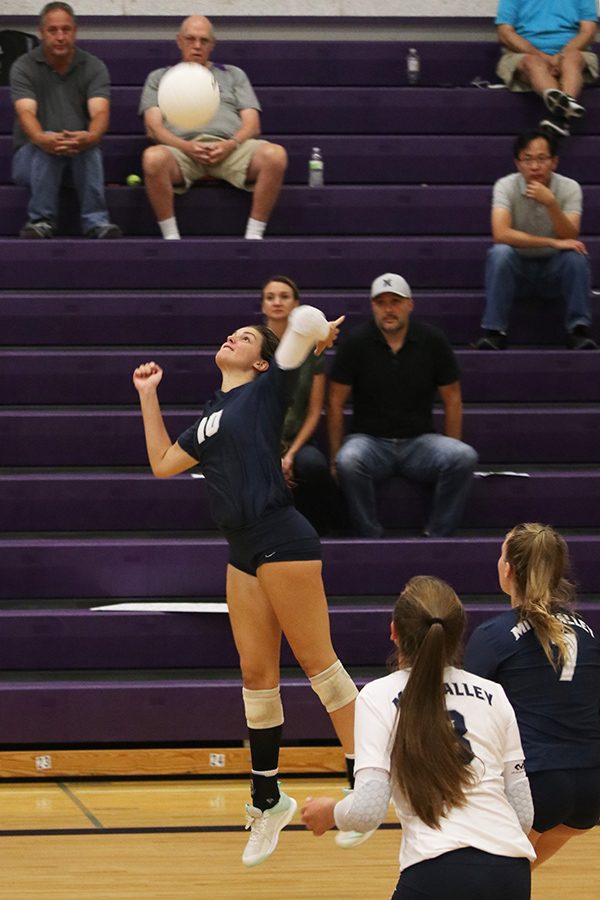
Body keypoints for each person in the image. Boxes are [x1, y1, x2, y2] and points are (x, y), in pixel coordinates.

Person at [132, 305, 363, 868]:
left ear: (261, 360)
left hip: (282, 537)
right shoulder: (212, 414)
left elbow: (303, 323)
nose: (230, 336)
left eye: (244, 336)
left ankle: (366, 788)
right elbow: (164, 463)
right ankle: (268, 799)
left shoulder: (264, 392)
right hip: (241, 553)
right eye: (228, 331)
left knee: (320, 668)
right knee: (257, 677)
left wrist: (311, 337)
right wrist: (148, 395)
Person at [301, 575, 535, 899]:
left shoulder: (378, 695)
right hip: (510, 870)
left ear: (394, 632)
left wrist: (329, 813)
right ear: (457, 635)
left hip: (437, 867)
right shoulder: (494, 694)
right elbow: (523, 815)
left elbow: (368, 809)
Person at [464, 523, 600, 869]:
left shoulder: (493, 636)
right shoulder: (588, 633)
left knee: (482, 878)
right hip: (592, 785)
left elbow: (461, 713)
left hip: (537, 781)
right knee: (510, 877)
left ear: (507, 569)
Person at [328, 273, 478, 538]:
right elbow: (336, 401)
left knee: (463, 456)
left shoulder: (433, 340)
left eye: (395, 302)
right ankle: (370, 535)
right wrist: (334, 457)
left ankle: (438, 534)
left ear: (409, 304)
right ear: (373, 306)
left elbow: (452, 398)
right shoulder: (356, 342)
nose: (388, 309)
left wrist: (452, 442)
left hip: (420, 442)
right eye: (381, 302)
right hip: (370, 441)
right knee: (347, 461)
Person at [139, 15, 287, 241]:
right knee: (152, 158)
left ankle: (254, 235)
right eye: (190, 39)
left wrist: (231, 144)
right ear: (179, 41)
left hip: (231, 149)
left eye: (204, 40)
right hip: (181, 152)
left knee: (275, 156)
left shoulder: (233, 74)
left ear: (212, 45)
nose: (197, 46)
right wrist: (186, 147)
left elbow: (252, 124)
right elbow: (153, 128)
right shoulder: (159, 77)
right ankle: (171, 237)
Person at [475, 130, 596, 351]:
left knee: (576, 256)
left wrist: (551, 204)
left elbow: (570, 236)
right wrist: (551, 242)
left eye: (542, 158)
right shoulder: (506, 185)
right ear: (517, 163)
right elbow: (501, 234)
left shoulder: (569, 188)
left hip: (553, 271)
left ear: (554, 162)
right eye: (527, 159)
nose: (534, 166)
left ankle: (578, 330)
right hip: (517, 270)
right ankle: (495, 332)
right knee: (500, 253)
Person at [10, 2, 121, 239]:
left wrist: (89, 137)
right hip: (29, 160)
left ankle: (97, 223)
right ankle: (40, 222)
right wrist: (42, 139)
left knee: (90, 148)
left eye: (66, 29)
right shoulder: (24, 67)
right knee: (47, 145)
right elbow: (26, 113)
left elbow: (100, 113)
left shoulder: (93, 66)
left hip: (78, 158)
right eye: (53, 30)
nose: (60, 36)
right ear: (42, 33)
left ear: (75, 31)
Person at [261, 275, 345, 535]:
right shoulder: (252, 344)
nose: (277, 302)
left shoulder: (311, 350)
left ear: (296, 305)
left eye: (284, 297)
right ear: (263, 305)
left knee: (314, 467)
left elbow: (313, 411)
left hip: (298, 440)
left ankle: (316, 534)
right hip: (258, 439)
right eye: (270, 297)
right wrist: (273, 453)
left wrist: (290, 454)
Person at [495, 0, 598, 138]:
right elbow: (505, 33)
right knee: (533, 63)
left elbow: (588, 32)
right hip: (524, 54)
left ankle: (559, 117)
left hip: (573, 52)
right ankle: (562, 117)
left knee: (572, 59)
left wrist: (561, 55)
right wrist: (541, 56)